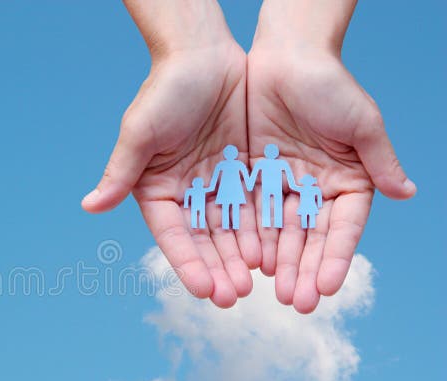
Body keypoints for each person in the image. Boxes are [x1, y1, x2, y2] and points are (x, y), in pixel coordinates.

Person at [81, 0, 416, 313]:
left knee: (260, 209)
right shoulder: (235, 171)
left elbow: (263, 178)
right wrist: (190, 47)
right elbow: (248, 178)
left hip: (264, 191)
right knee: (237, 211)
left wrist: (299, 41)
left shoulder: (261, 171)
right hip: (235, 193)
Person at [247, 143, 299, 229]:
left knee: (274, 204)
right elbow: (254, 174)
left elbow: (289, 175)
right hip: (270, 187)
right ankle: (268, 222)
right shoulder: (265, 163)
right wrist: (250, 184)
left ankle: (274, 222)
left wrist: (294, 186)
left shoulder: (266, 163)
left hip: (274, 187)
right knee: (269, 204)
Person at [206, 145, 250, 230]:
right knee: (231, 206)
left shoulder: (225, 164)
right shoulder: (236, 164)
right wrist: (249, 185)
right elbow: (215, 176)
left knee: (230, 206)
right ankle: (229, 225)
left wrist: (211, 187)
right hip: (229, 188)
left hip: (229, 188)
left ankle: (230, 225)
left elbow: (215, 177)